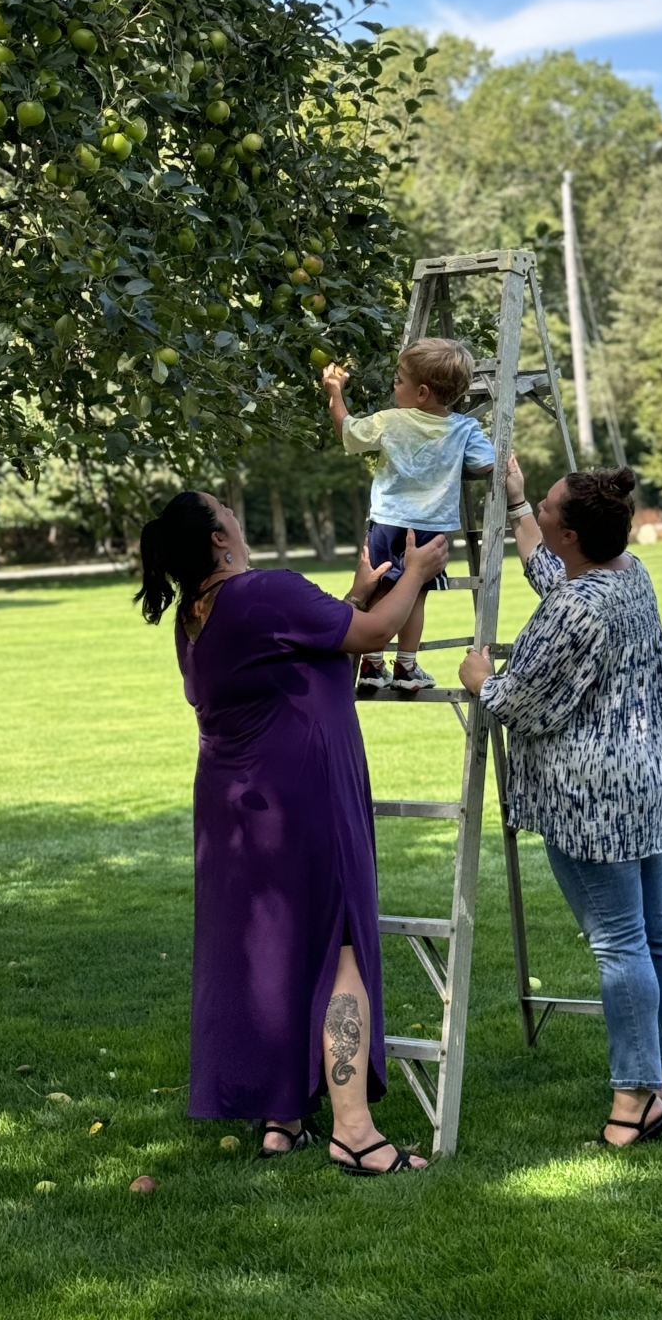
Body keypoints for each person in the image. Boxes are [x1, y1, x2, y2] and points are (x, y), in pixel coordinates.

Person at [136, 490, 450, 1173]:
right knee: (339, 948)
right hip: (302, 797)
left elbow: (303, 649)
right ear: (219, 537)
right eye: (225, 507)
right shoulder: (265, 591)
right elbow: (371, 635)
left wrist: (355, 595)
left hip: (235, 809)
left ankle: (283, 1118)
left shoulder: (196, 615)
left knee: (275, 951)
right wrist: (419, 574)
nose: (235, 512)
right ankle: (355, 1133)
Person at [459, 455, 662, 1147]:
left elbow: (524, 703)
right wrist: (515, 505)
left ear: (569, 534)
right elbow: (557, 580)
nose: (539, 506)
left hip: (591, 797)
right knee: (657, 928)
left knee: (619, 942)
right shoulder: (628, 575)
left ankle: (635, 1099)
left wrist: (481, 679)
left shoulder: (579, 606)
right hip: (643, 781)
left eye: (545, 505)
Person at [323, 338, 494, 695]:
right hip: (431, 529)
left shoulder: (390, 421)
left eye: (398, 380)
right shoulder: (463, 428)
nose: (394, 386)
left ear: (422, 393)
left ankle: (372, 664)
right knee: (415, 593)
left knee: (380, 587)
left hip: (387, 522)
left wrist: (335, 391)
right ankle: (406, 664)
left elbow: (347, 430)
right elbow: (484, 464)